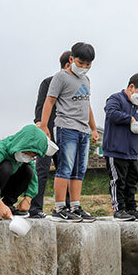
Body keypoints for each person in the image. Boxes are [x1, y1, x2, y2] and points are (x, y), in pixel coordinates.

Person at [40, 42, 99, 222]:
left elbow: (86, 105)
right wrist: (44, 125)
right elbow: (49, 102)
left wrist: (94, 128)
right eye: (81, 63)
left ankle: (75, 205)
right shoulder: (61, 77)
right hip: (66, 127)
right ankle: (59, 207)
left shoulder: (86, 80)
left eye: (88, 65)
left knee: (79, 170)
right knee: (65, 168)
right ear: (72, 59)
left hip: (83, 130)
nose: (84, 68)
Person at [0, 125, 58, 220]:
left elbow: (33, 178)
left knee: (28, 170)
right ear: (22, 145)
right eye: (27, 153)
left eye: (33, 156)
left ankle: (8, 205)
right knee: (6, 167)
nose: (29, 157)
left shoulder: (24, 158)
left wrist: (28, 199)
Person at [103, 72, 138, 221]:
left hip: (131, 151)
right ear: (131, 87)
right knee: (118, 180)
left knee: (132, 180)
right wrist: (129, 118)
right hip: (115, 149)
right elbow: (111, 113)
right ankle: (119, 209)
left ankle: (131, 208)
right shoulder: (115, 99)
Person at [30, 50, 71, 218]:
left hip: (66, 133)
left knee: (66, 170)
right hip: (48, 133)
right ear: (68, 64)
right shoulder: (48, 82)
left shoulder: (74, 85)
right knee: (42, 170)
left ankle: (66, 207)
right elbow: (40, 108)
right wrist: (42, 128)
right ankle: (35, 208)